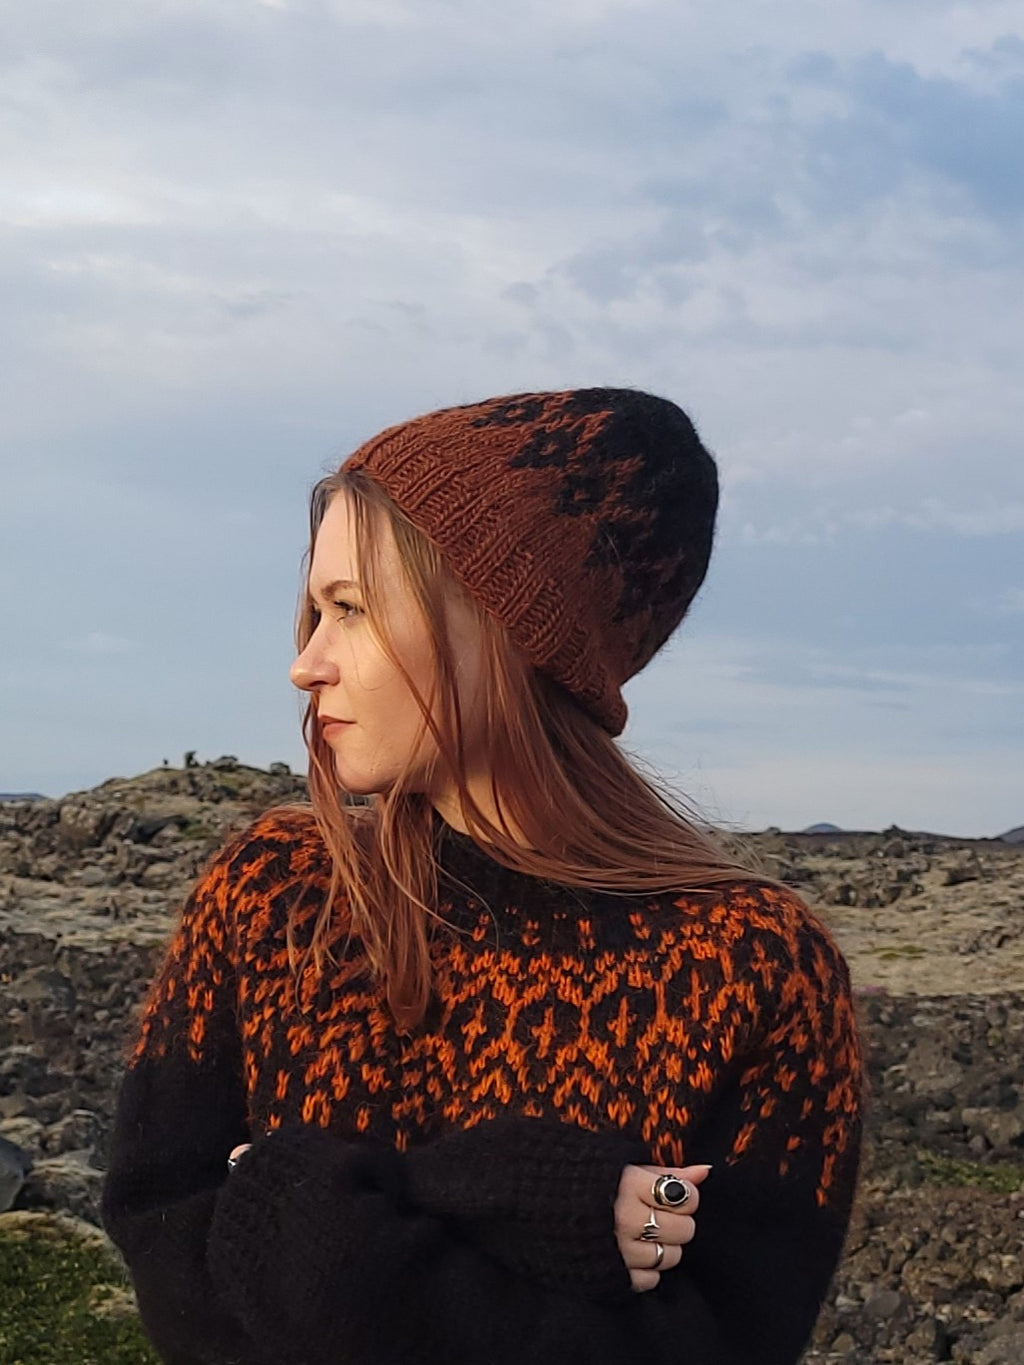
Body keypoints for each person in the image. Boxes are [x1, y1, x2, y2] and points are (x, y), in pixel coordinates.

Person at [101, 388, 863, 1365]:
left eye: (350, 610)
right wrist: (497, 1191)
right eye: (313, 611)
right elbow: (173, 1260)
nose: (306, 664)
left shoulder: (756, 967)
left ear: (501, 628)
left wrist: (299, 1213)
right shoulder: (271, 892)